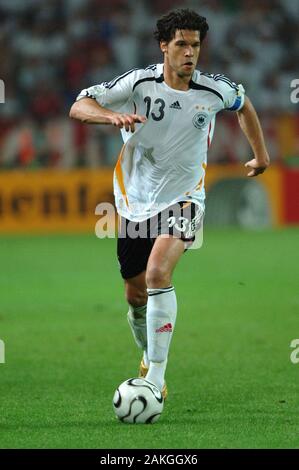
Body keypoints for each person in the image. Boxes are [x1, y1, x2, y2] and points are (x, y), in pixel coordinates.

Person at [69, 9, 270, 400]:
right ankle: (149, 354)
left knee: (158, 273)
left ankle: (155, 380)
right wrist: (111, 117)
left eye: (195, 45)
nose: (189, 52)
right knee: (135, 294)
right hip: (133, 203)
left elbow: (244, 105)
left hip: (184, 198)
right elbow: (79, 106)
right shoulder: (140, 82)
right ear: (164, 45)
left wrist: (260, 156)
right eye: (181, 44)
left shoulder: (214, 90)